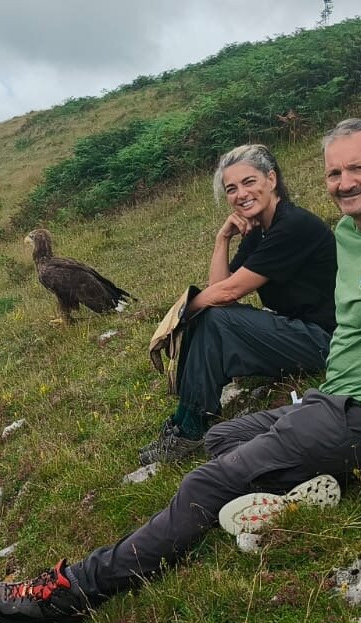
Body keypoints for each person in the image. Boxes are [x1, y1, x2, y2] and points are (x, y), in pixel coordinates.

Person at [0, 118, 361, 623]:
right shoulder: (351, 235)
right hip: (335, 398)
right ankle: (299, 493)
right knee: (222, 438)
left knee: (204, 484)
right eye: (334, 173)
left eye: (359, 168)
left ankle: (74, 591)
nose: (344, 182)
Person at [138, 144, 337, 465]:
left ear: (271, 179)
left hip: (325, 340)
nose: (241, 194)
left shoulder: (293, 226)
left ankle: (189, 429)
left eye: (249, 182)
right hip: (297, 330)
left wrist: (180, 314)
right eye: (231, 188)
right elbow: (219, 288)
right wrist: (223, 239)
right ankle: (185, 421)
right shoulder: (261, 232)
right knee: (211, 315)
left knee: (212, 317)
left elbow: (227, 293)